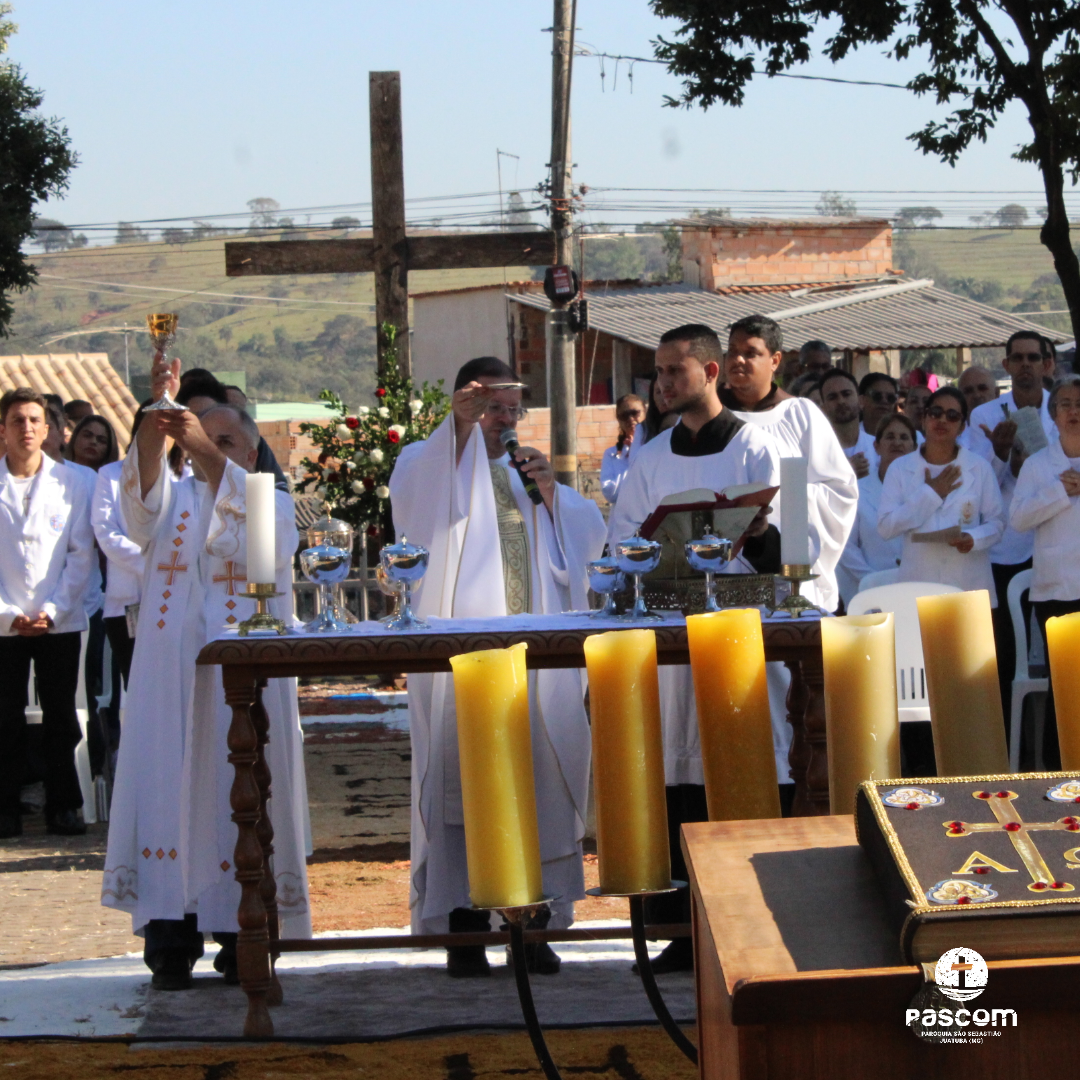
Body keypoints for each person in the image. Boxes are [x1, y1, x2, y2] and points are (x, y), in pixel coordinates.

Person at [389, 355, 606, 978]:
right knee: (465, 788)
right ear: (467, 406)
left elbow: (585, 550)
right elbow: (416, 511)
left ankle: (530, 927)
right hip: (466, 665)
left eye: (513, 410)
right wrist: (454, 434)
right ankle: (466, 928)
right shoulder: (432, 464)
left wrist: (551, 498)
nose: (504, 422)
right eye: (493, 410)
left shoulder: (528, 477)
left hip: (535, 669)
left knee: (535, 787)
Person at [102, 356, 311, 991]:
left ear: (250, 452)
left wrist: (200, 445)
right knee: (166, 795)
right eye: (198, 440)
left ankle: (241, 936)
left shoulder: (269, 503)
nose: (203, 452)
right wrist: (150, 424)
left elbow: (262, 550)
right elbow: (136, 503)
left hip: (242, 678)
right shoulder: (173, 499)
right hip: (170, 673)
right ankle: (171, 937)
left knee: (236, 798)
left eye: (224, 442)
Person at [610, 324, 781, 974]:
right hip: (669, 629)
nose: (662, 385)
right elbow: (623, 537)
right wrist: (648, 551)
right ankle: (683, 932)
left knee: (733, 767)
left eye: (675, 372)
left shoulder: (755, 447)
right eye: (658, 373)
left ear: (711, 373)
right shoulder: (650, 457)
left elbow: (786, 548)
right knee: (679, 774)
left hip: (737, 633)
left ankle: (748, 923)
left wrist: (758, 532)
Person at [0, 388, 95, 839]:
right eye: (17, 420)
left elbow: (80, 554)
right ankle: (5, 807)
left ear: (48, 429)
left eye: (34, 420)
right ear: (3, 430)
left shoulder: (74, 482)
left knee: (61, 716)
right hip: (3, 625)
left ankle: (65, 804)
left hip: (60, 619)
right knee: (4, 717)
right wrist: (8, 614)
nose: (26, 428)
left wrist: (52, 611)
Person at [721, 317, 858, 616]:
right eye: (732, 351)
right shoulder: (708, 418)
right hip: (722, 582)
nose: (738, 360)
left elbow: (841, 493)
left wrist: (780, 498)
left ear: (775, 360)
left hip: (786, 576)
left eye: (751, 352)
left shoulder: (800, 415)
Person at [966, 332, 1057, 723]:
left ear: (1047, 365)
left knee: (1061, 651)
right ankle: (1004, 748)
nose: (1025, 365)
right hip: (1003, 546)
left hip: (1055, 544)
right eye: (1017, 358)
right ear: (1005, 365)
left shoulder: (1068, 408)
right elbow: (975, 481)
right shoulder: (985, 416)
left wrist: (1034, 473)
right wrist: (1000, 454)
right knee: (1001, 652)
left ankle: (1060, 751)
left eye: (1033, 358)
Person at [1011, 376, 1080, 768]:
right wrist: (1060, 491)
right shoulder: (1038, 466)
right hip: (1055, 591)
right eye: (1065, 404)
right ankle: (1060, 771)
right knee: (1064, 687)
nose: (1073, 411)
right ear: (1053, 416)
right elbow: (1019, 519)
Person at [878, 386, 1004, 598]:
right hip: (917, 586)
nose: (943, 420)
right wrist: (931, 493)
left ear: (963, 426)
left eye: (952, 416)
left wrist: (974, 538)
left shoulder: (979, 467)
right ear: (925, 419)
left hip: (968, 585)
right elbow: (885, 527)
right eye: (936, 413)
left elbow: (998, 523)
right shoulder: (900, 468)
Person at [91, 404, 151, 764]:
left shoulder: (182, 475)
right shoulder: (111, 475)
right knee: (138, 689)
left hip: (175, 597)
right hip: (127, 601)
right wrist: (151, 563)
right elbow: (105, 531)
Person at [65, 414, 120, 776]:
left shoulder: (109, 482)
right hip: (69, 593)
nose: (93, 444)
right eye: (87, 435)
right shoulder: (63, 480)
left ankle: (101, 756)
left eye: (101, 439)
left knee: (99, 685)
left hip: (101, 593)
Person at [836, 414, 917, 606]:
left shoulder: (926, 491)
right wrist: (872, 580)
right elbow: (846, 546)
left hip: (917, 588)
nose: (897, 442)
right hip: (869, 592)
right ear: (876, 446)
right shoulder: (857, 491)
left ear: (914, 448)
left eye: (904, 437)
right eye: (889, 436)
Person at [220, 383, 289, 491]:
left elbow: (278, 484)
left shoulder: (257, 442)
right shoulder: (202, 440)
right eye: (231, 406)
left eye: (241, 408)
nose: (237, 413)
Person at [819, 368, 875, 479]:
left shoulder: (878, 448)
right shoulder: (812, 451)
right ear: (823, 408)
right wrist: (843, 473)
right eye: (832, 397)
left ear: (861, 401)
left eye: (846, 394)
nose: (841, 401)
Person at [599, 393, 645, 505]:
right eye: (624, 416)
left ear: (645, 413)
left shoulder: (656, 446)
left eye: (635, 413)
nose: (630, 419)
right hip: (623, 520)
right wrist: (629, 456)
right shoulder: (612, 454)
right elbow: (610, 493)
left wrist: (636, 451)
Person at [857, 373, 900, 449]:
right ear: (862, 400)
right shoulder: (849, 438)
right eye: (877, 396)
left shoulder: (907, 437)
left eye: (890, 398)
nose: (884, 401)